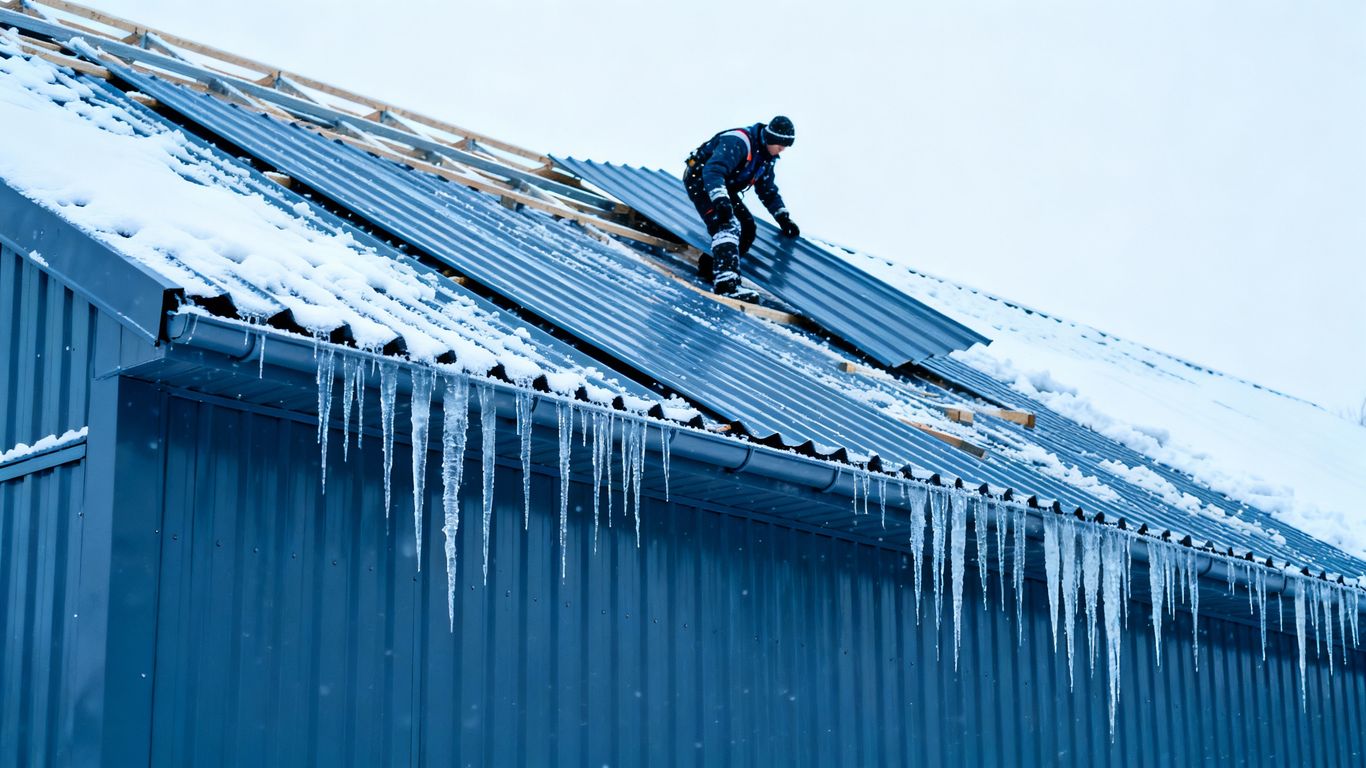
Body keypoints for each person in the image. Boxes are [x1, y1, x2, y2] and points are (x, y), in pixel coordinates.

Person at [684, 115, 801, 296]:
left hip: (724, 187)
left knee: (747, 228)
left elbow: (767, 189)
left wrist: (782, 216)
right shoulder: (738, 142)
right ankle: (726, 285)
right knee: (726, 224)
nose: (782, 150)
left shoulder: (765, 156)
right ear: (771, 138)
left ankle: (710, 270)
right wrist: (720, 200)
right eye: (780, 145)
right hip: (702, 180)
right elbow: (713, 171)